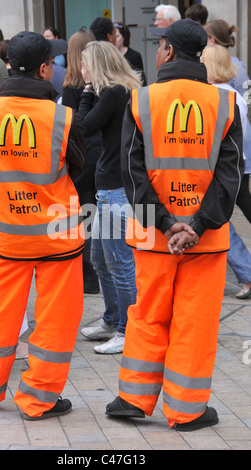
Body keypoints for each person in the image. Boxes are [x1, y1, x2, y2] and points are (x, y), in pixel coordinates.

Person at [106, 19, 244, 431]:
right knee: (194, 321)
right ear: (200, 53)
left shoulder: (141, 100)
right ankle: (186, 410)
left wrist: (166, 224)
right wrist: (196, 226)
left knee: (148, 314)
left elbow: (131, 175)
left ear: (166, 50)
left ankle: (132, 398)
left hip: (153, 235)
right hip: (206, 240)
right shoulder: (225, 104)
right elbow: (230, 176)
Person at [0, 32, 86, 421]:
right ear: (46, 68)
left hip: (6, 236)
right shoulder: (64, 118)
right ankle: (38, 399)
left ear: (8, 62)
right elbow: (78, 167)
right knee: (54, 320)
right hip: (57, 238)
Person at [78, 41, 142, 354]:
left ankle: (128, 330)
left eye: (84, 63)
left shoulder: (115, 92)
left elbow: (83, 127)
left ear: (98, 64)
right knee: (100, 260)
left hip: (118, 189)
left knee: (119, 263)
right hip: (109, 187)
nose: (81, 69)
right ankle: (111, 319)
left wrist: (87, 91)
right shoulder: (120, 91)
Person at [202, 44, 251, 300]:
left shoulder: (216, 96)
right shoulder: (234, 96)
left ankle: (247, 273)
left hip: (220, 169)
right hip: (236, 167)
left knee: (219, 222)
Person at [62, 28, 101, 294]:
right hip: (104, 157)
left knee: (85, 217)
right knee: (101, 217)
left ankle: (89, 278)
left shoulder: (70, 87)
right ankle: (101, 273)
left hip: (83, 158)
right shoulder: (105, 85)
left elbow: (70, 124)